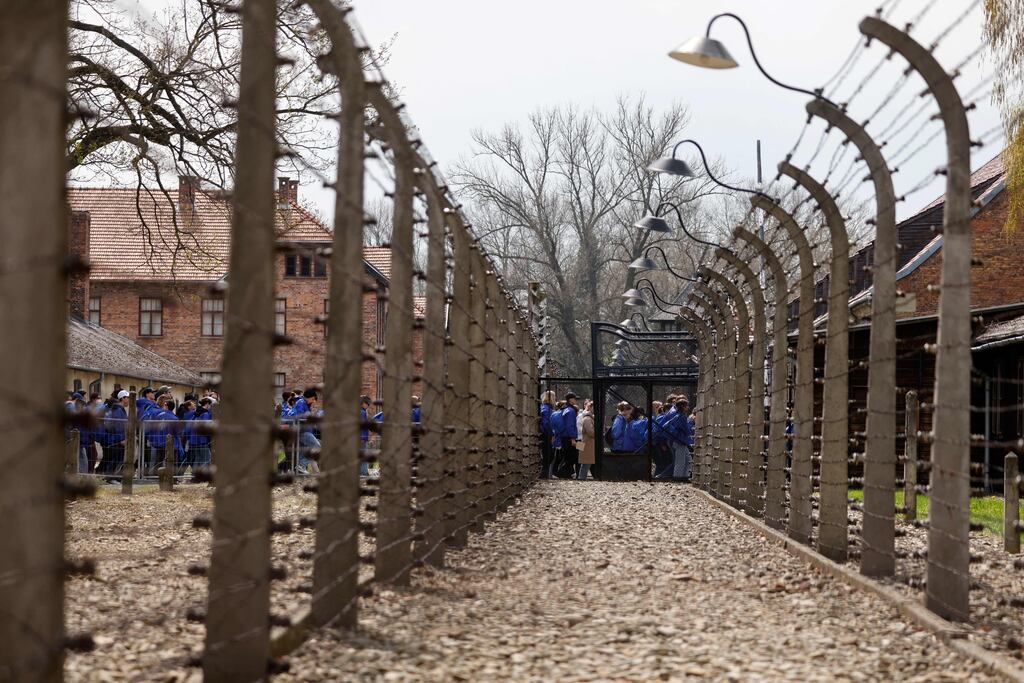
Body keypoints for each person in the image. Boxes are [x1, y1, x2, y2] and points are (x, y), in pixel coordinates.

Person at [98, 390, 130, 479]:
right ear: (122, 398)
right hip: (116, 441)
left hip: (116, 440)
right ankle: (109, 478)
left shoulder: (119, 410)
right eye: (128, 398)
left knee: (116, 460)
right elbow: (117, 428)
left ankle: (111, 477)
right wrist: (121, 440)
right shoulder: (118, 411)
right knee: (114, 460)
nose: (129, 400)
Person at [290, 388, 321, 474]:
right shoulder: (301, 403)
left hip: (304, 430)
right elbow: (299, 416)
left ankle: (300, 468)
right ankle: (301, 465)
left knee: (305, 451)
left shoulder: (305, 404)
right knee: (317, 447)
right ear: (309, 397)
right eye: (313, 399)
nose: (314, 401)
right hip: (303, 431)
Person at [558, 392, 579, 478]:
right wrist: (573, 439)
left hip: (564, 436)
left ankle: (566, 474)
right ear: (570, 400)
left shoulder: (564, 409)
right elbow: (570, 425)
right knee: (573, 457)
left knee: (568, 457)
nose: (576, 400)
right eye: (575, 398)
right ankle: (561, 473)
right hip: (568, 437)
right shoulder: (571, 411)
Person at [577, 400, 596, 480]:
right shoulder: (587, 418)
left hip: (581, 440)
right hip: (584, 441)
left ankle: (581, 476)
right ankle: (581, 477)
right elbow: (590, 431)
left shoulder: (585, 416)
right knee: (585, 461)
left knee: (584, 460)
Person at [539, 391, 555, 479]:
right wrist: (551, 434)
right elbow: (546, 423)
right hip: (546, 435)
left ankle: (544, 473)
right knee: (549, 455)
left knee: (548, 455)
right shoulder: (547, 409)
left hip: (544, 434)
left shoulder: (544, 408)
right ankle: (543, 473)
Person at [548, 400, 566, 478]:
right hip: (561, 438)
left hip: (555, 437)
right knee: (559, 457)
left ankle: (552, 472)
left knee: (556, 456)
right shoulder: (562, 415)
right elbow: (562, 427)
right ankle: (556, 472)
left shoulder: (553, 414)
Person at [359, 395, 372, 476]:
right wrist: (363, 438)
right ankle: (364, 473)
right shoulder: (362, 412)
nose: (368, 406)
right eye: (367, 404)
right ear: (363, 403)